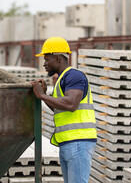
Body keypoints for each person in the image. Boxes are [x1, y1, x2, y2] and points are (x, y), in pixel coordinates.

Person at [31, 36, 97, 183]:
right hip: (69, 142)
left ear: (58, 58)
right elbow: (59, 108)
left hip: (79, 141)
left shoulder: (74, 76)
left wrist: (42, 96)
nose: (44, 64)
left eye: (47, 59)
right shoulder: (63, 78)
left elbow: (71, 104)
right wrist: (45, 94)